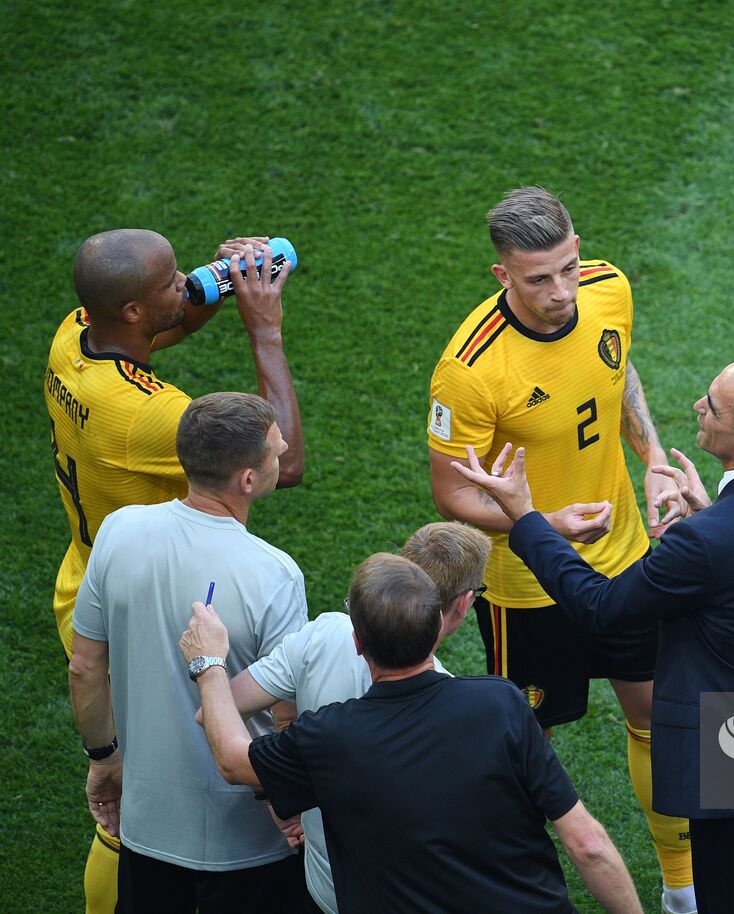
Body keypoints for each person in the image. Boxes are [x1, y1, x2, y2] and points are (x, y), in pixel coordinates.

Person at [455, 359, 734, 914]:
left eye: (712, 404)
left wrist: (525, 516)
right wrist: (711, 518)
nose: (697, 406)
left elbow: (602, 607)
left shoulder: (706, 544)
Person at [426, 185, 692, 911]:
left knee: (655, 717)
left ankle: (680, 887)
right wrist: (540, 525)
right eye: (540, 278)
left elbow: (618, 371)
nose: (562, 291)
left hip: (626, 560)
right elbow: (451, 495)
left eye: (569, 267)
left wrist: (654, 455)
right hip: (527, 589)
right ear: (502, 275)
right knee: (524, 749)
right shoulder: (471, 369)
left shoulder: (609, 290)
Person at [45, 228, 302, 913]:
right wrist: (264, 325)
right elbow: (283, 456)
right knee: (136, 791)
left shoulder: (74, 335)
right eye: (169, 282)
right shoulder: (149, 416)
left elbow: (175, 316)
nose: (183, 286)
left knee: (128, 773)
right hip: (154, 599)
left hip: (95, 572)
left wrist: (221, 277)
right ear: (130, 310)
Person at [182, 553, 644, 914]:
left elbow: (230, 756)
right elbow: (589, 845)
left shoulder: (329, 736)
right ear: (438, 629)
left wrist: (210, 661)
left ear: (358, 643)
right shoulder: (500, 703)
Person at [67, 391, 310, 913]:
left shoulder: (118, 531)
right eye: (275, 446)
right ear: (247, 479)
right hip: (249, 843)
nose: (286, 445)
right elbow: (286, 713)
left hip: (146, 828)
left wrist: (104, 759)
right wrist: (283, 804)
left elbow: (85, 667)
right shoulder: (276, 573)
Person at [216, 521, 493, 914]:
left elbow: (222, 709)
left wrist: (208, 663)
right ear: (464, 603)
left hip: (324, 891)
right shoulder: (462, 713)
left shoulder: (322, 635)